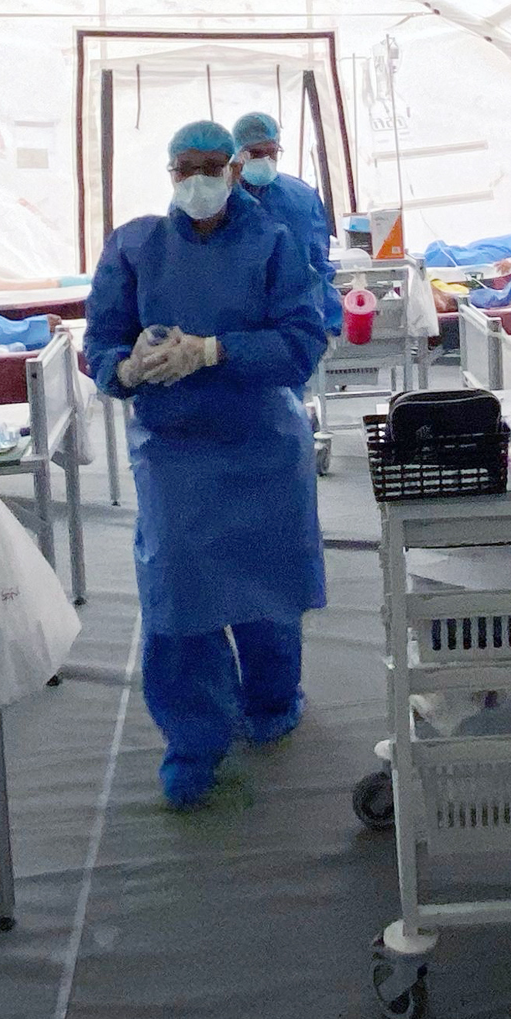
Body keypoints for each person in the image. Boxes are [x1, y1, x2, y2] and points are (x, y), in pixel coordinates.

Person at [86, 118, 329, 808]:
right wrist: (126, 368)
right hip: (174, 450)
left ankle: (272, 701)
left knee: (265, 587)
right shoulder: (135, 246)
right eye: (183, 168)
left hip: (260, 441)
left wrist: (214, 350)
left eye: (210, 167)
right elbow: (99, 339)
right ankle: (193, 743)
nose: (198, 181)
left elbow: (301, 344)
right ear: (170, 173)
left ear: (231, 169)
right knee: (179, 601)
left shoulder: (270, 241)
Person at [230, 109, 343, 332]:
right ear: (236, 152)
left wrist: (328, 320)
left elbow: (318, 263)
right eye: (254, 153)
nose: (264, 160)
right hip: (234, 321)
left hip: (292, 319)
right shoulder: (217, 201)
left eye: (271, 153)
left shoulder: (301, 197)